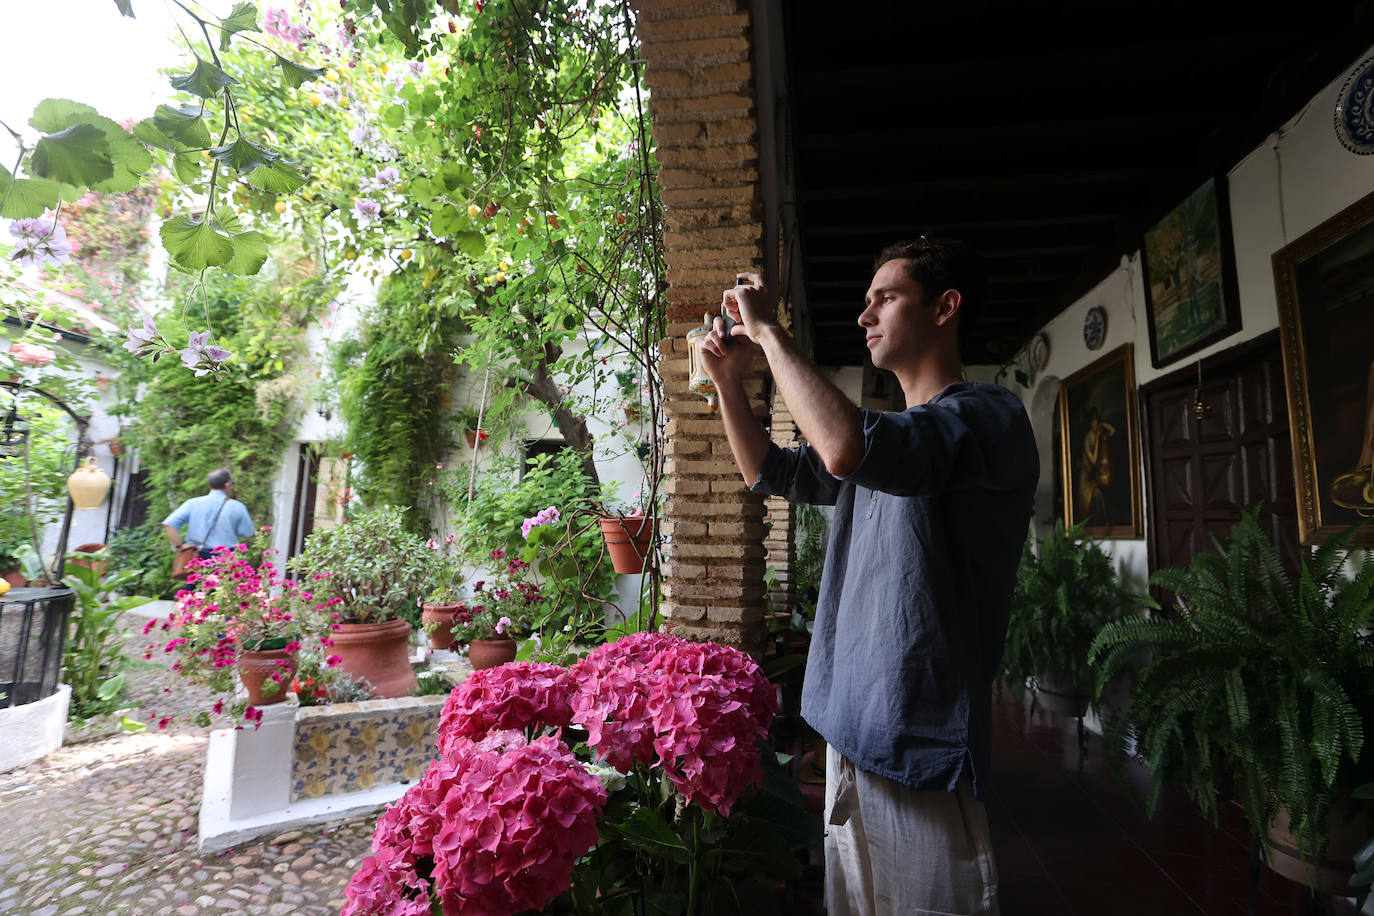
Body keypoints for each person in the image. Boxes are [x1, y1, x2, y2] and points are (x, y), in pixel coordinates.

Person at [698, 235, 1038, 916]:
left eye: (885, 297)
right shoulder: (894, 441)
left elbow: (847, 447)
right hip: (851, 734)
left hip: (921, 740)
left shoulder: (984, 418)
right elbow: (769, 470)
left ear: (945, 307)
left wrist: (767, 330)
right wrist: (727, 382)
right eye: (864, 300)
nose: (864, 314)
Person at [162, 468, 255, 560]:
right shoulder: (237, 506)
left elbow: (169, 524)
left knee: (200, 575)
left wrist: (179, 546)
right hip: (226, 558)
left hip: (198, 557)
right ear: (227, 485)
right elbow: (248, 533)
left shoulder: (192, 503)